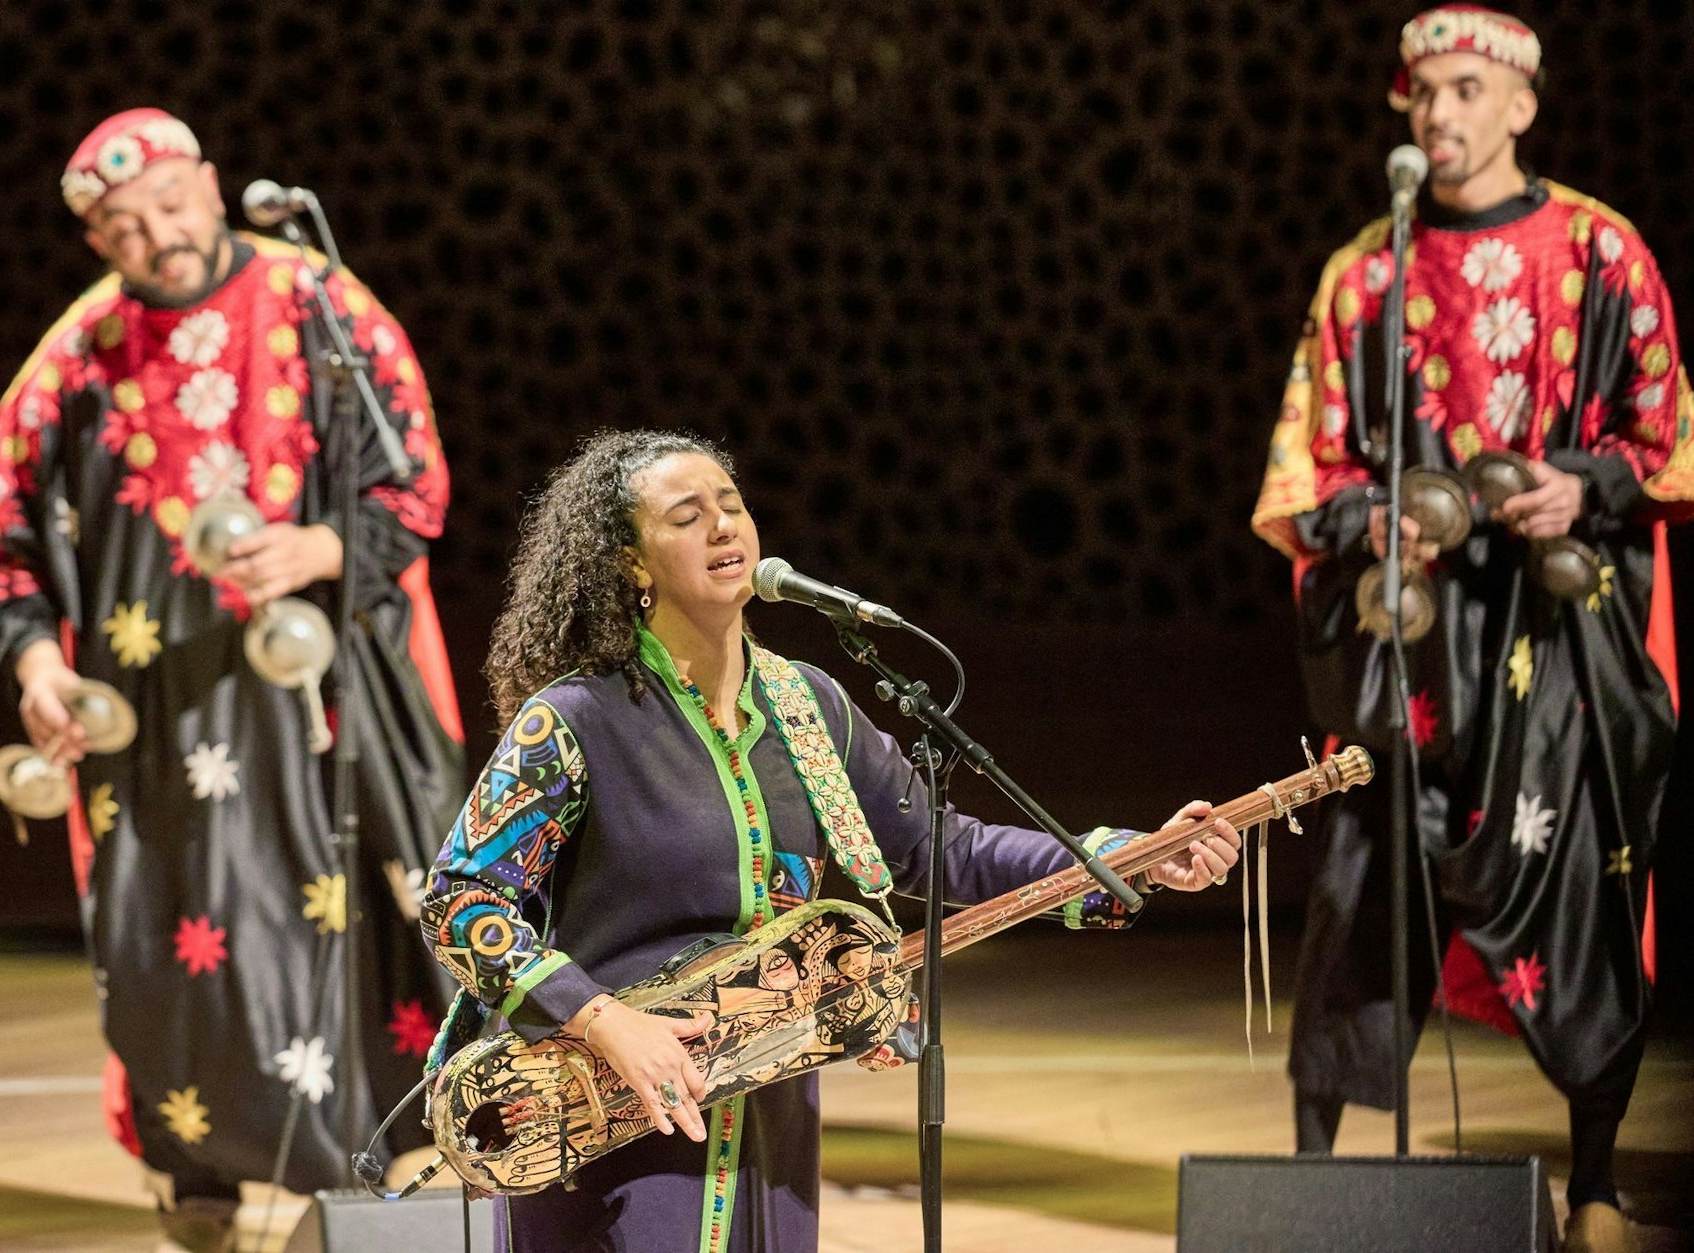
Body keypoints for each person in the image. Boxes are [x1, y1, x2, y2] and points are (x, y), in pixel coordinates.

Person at [420, 429, 1241, 1252]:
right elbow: (462, 902)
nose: (723, 526)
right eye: (686, 515)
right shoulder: (573, 720)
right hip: (604, 1115)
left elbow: (943, 848)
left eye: (732, 505)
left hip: (771, 1119)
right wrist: (600, 1018)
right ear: (632, 563)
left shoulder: (807, 706)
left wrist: (1128, 856)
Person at [0, 109, 466, 1252]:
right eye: (124, 227)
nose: (160, 236)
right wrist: (38, 665)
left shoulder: (320, 303)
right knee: (171, 943)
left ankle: (391, 1170)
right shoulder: (73, 362)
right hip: (153, 712)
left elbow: (415, 482)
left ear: (214, 183)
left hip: (324, 698)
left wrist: (319, 549)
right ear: (97, 241)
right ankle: (201, 1183)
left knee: (368, 926)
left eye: (173, 204)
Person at [1251, 8, 1694, 1251]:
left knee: (1583, 887)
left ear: (1518, 104)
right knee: (1360, 884)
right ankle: (1309, 1179)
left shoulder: (1601, 252)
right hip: (1414, 638)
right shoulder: (1366, 270)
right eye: (1419, 96)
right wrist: (1373, 516)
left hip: (1555, 639)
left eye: (1462, 91)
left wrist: (1584, 485)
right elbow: (1304, 470)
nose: (1436, 115)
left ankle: (1598, 1180)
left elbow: (1666, 443)